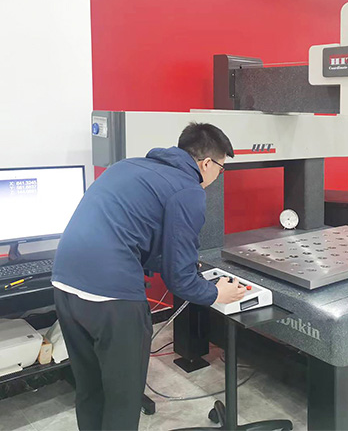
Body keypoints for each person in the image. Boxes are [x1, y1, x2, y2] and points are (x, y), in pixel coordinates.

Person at [51, 122, 246, 431]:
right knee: (123, 398)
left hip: (63, 282)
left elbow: (134, 227)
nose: (218, 176)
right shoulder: (188, 190)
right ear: (207, 163)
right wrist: (216, 293)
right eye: (221, 169)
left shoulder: (128, 166)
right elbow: (180, 280)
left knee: (90, 387)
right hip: (112, 296)